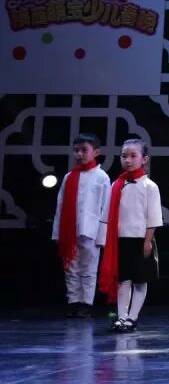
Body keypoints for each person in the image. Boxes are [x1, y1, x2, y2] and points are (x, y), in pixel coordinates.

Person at [98, 138, 162, 332]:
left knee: (140, 280)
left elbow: (153, 218)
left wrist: (147, 241)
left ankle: (133, 317)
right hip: (121, 240)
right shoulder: (117, 184)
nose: (128, 160)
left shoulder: (150, 186)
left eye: (133, 156)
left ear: (144, 159)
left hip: (141, 239)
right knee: (123, 280)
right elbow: (107, 216)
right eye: (124, 156)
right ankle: (122, 317)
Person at [52, 133, 110, 318]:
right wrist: (57, 232)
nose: (79, 154)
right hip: (70, 229)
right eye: (76, 150)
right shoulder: (69, 176)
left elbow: (105, 208)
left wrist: (102, 236)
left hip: (90, 230)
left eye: (84, 150)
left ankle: (86, 303)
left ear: (96, 152)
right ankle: (73, 301)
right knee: (71, 267)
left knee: (88, 268)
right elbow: (60, 206)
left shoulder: (101, 176)